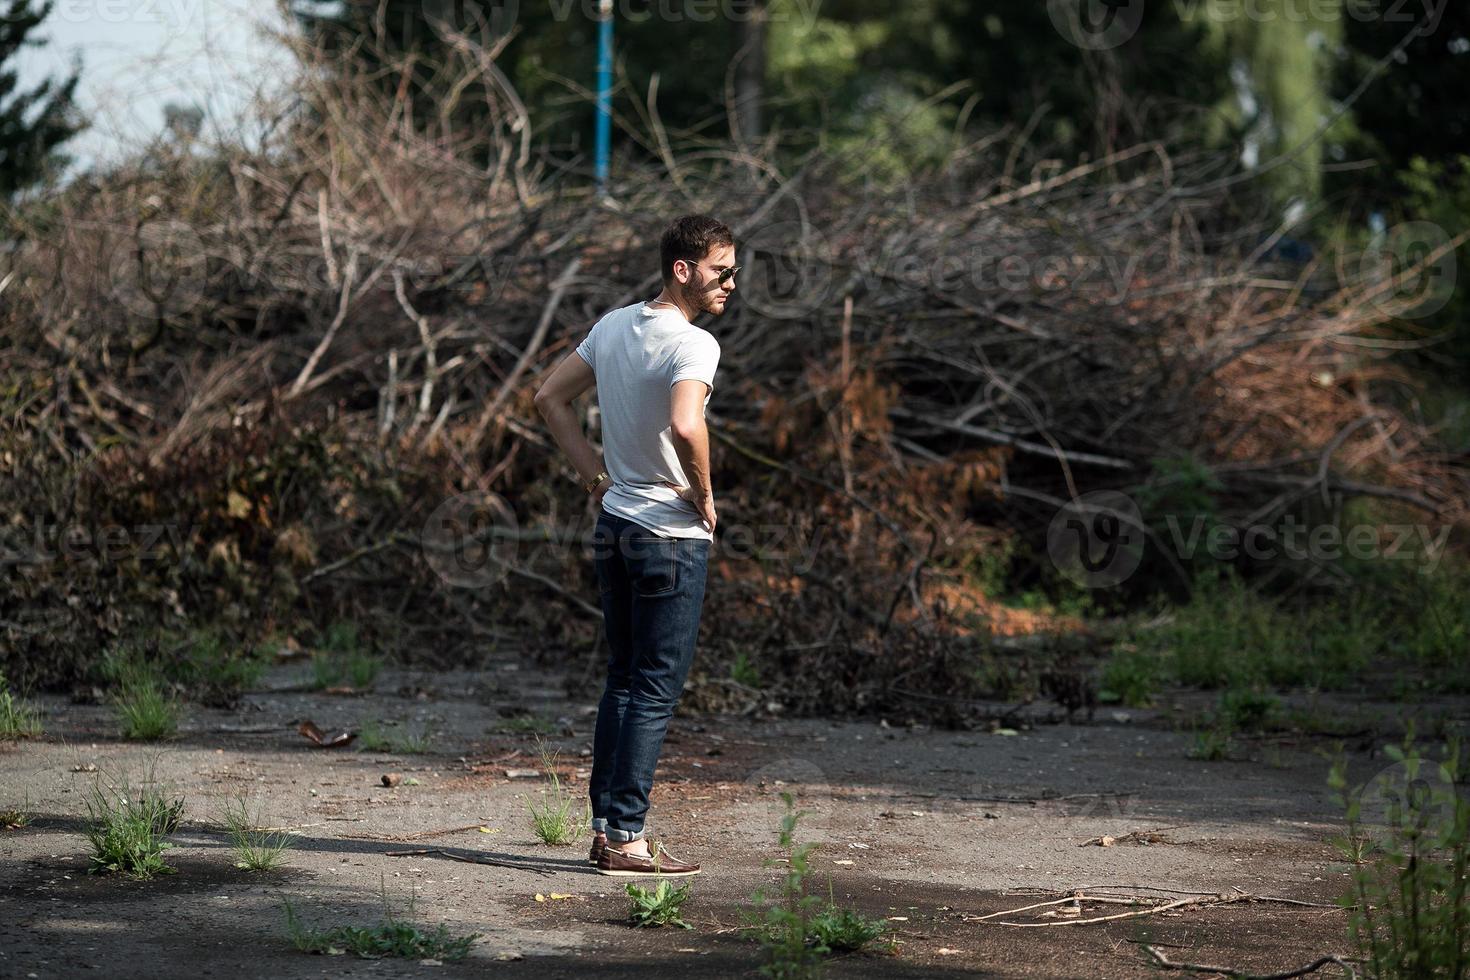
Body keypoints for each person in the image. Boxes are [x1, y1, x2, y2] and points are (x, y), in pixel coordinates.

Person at [533, 214, 738, 876]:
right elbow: (686, 424)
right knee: (652, 686)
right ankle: (626, 838)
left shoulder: (614, 326)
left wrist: (596, 477)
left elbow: (548, 398)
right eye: (721, 270)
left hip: (617, 525)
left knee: (624, 678)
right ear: (683, 269)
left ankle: (606, 828)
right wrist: (703, 495)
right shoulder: (694, 344)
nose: (732, 283)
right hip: (668, 537)